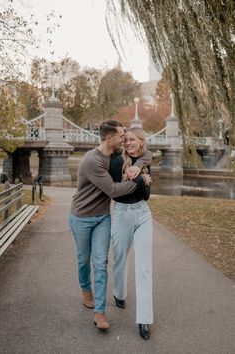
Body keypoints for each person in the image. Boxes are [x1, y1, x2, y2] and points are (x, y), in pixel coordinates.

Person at [69, 120, 152, 331]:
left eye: (128, 137)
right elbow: (114, 190)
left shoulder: (116, 156)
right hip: (82, 217)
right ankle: (86, 289)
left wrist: (139, 165)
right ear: (110, 138)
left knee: (101, 261)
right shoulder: (92, 161)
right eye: (122, 136)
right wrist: (141, 180)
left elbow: (146, 153)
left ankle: (100, 311)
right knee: (83, 260)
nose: (124, 140)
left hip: (104, 217)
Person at [109, 127, 153, 340]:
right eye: (125, 140)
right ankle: (119, 293)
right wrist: (138, 179)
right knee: (120, 259)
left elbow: (146, 196)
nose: (128, 143)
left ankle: (144, 319)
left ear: (141, 141)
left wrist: (141, 178)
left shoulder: (145, 160)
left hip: (143, 214)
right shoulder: (117, 161)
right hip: (121, 214)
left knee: (144, 267)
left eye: (132, 139)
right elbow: (116, 194)